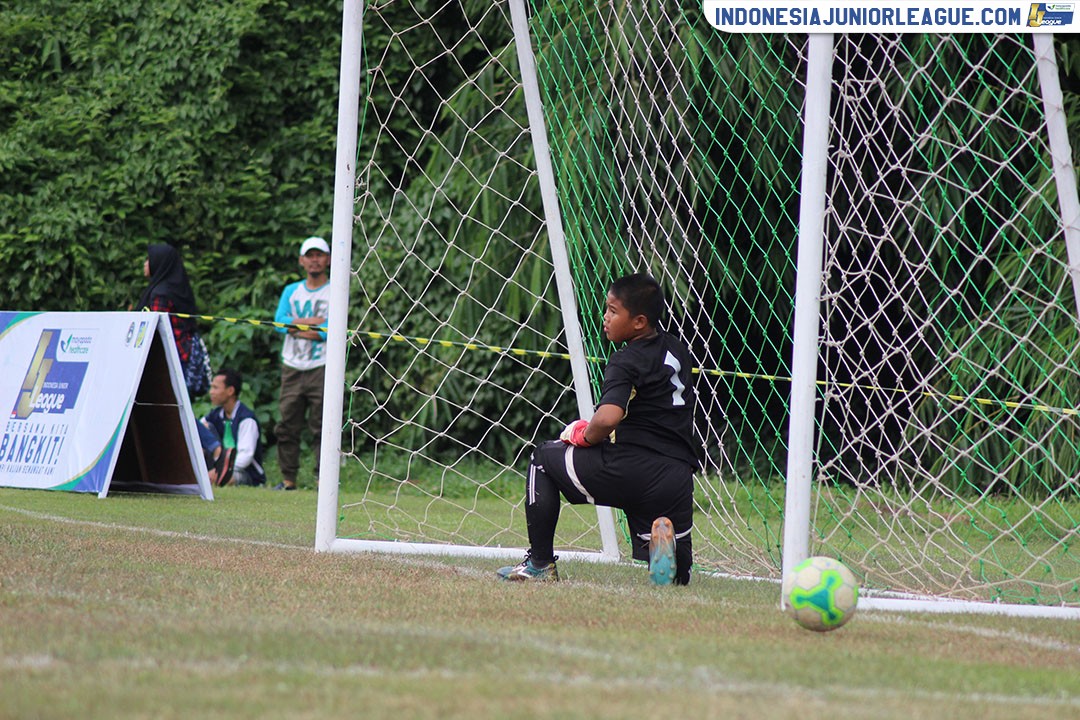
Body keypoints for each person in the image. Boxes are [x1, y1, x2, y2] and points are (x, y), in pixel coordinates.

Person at [496, 273, 699, 585]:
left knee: (543, 459)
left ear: (639, 322)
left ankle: (540, 564)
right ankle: (668, 554)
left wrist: (584, 436)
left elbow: (607, 418)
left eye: (613, 311)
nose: (605, 317)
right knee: (678, 577)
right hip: (677, 477)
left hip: (632, 470)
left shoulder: (626, 360)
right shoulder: (677, 349)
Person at [271, 236, 331, 491]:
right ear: (301, 260)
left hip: (323, 365)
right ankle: (288, 479)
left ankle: (323, 479)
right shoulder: (291, 291)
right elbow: (279, 322)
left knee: (324, 426)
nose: (314, 260)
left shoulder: (335, 290)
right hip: (292, 366)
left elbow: (331, 330)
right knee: (287, 424)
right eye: (310, 255)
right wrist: (314, 323)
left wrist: (296, 326)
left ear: (328, 259)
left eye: (319, 255)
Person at [202, 368, 267, 487]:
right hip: (218, 466)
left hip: (245, 472)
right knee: (204, 428)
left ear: (230, 391)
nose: (211, 392)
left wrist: (223, 471)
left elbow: (245, 456)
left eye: (216, 388)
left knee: (227, 479)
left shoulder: (246, 419)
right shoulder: (215, 415)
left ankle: (219, 476)